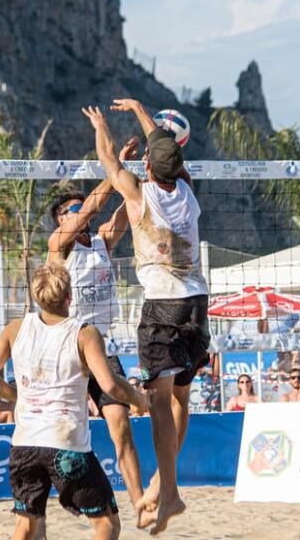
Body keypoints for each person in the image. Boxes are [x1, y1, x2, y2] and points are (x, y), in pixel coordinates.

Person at [0, 264, 149, 540]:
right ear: (69, 296)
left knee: (26, 528)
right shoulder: (84, 333)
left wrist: (15, 396)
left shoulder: (15, 328)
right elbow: (110, 385)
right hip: (65, 447)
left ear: (36, 297)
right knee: (106, 525)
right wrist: (140, 399)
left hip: (24, 445)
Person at [100, 99, 209, 534]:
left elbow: (108, 160)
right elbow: (163, 149)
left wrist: (102, 123)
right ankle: (163, 486)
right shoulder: (187, 190)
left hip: (163, 306)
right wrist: (144, 113)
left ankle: (171, 492)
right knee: (180, 400)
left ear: (147, 164)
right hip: (197, 303)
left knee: (159, 403)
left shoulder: (137, 192)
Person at [46, 127, 145, 514]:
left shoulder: (102, 239)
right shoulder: (59, 245)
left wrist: (135, 174)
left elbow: (126, 205)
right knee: (61, 435)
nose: (79, 210)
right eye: (71, 208)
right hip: (67, 350)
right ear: (60, 218)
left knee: (121, 429)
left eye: (78, 207)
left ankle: (140, 502)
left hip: (102, 347)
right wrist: (114, 163)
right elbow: (93, 206)